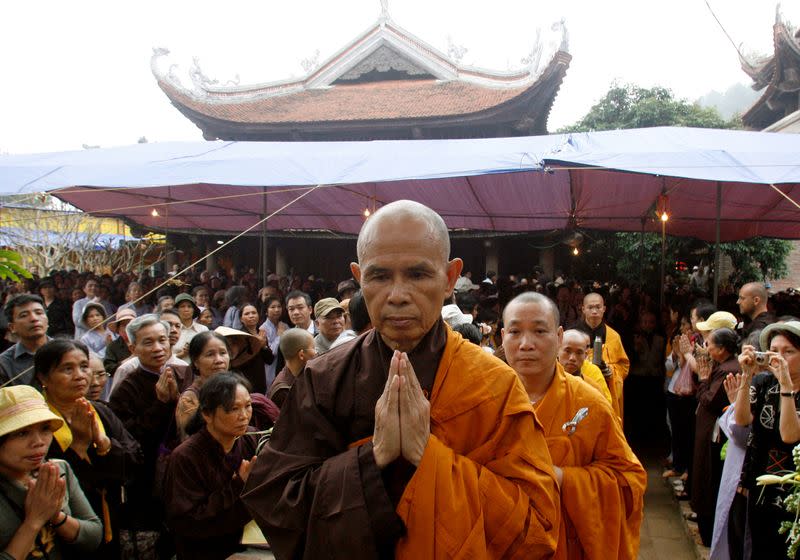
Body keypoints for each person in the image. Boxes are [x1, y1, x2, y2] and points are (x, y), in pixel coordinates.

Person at [241, 200, 559, 558]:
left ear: (450, 278)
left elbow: (536, 530)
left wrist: (430, 456)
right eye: (379, 276)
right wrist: (373, 458)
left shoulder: (494, 385)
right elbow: (274, 500)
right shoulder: (324, 378)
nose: (397, 295)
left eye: (418, 275)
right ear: (359, 279)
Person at [502, 292, 646, 559]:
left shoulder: (590, 402)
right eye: (514, 332)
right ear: (502, 337)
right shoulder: (487, 400)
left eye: (539, 331)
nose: (526, 344)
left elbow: (630, 482)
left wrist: (564, 479)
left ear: (558, 337)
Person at [34, 339, 143, 558]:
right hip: (59, 525)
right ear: (43, 377)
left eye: (84, 367)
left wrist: (103, 444)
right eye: (67, 369)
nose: (80, 375)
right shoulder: (37, 422)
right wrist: (79, 447)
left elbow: (135, 461)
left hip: (107, 514)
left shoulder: (100, 411)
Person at [108, 314, 192, 546]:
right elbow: (130, 440)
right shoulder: (127, 388)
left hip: (183, 471)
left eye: (162, 340)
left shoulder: (183, 374)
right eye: (148, 342)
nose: (158, 348)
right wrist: (161, 403)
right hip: (148, 479)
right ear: (133, 347)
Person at [0, 385, 102, 558]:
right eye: (22, 433)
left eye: (45, 429)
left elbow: (93, 536)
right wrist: (34, 521)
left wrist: (56, 517)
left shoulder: (58, 470)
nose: (38, 442)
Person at [164, 373, 258, 560]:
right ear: (207, 414)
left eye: (248, 406)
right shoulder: (185, 457)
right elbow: (187, 521)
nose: (244, 416)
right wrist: (238, 485)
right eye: (233, 409)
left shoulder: (251, 439)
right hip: (202, 551)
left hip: (247, 546)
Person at [734, 321, 800, 558]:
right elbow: (741, 419)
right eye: (774, 350)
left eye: (789, 351)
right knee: (757, 547)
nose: (779, 358)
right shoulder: (762, 383)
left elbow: (790, 434)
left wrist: (786, 386)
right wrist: (746, 376)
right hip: (760, 481)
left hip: (792, 488)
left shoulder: (783, 385)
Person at [691, 328, 740, 546]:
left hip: (715, 433)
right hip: (710, 431)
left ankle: (708, 532)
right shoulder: (724, 366)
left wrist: (703, 380)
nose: (706, 347)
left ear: (721, 349)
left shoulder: (728, 370)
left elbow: (709, 401)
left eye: (710, 344)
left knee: (708, 477)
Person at [576, 292, 630, 420]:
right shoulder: (573, 334)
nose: (594, 311)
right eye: (590, 307)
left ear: (604, 309)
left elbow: (623, 366)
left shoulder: (613, 336)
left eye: (598, 307)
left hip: (605, 391)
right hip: (578, 390)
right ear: (583, 309)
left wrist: (609, 371)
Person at [175, 331, 230, 439]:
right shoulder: (189, 399)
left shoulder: (235, 389)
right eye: (210, 354)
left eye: (223, 353)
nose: (219, 360)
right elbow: (190, 441)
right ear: (196, 362)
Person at [0, 295, 51, 390]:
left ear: (47, 320)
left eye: (39, 313)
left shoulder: (70, 351)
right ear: (12, 327)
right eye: (24, 315)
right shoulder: (4, 364)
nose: (34, 319)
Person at [557, 329, 613, 405]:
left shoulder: (594, 388)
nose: (572, 358)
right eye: (567, 351)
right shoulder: (543, 382)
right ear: (557, 350)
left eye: (579, 353)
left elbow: (605, 412)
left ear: (585, 355)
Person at [268, 328, 316, 408]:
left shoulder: (298, 373)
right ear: (301, 354)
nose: (316, 352)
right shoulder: (284, 391)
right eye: (313, 348)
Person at [258, 295, 288, 388]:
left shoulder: (283, 325)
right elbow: (271, 353)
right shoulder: (263, 328)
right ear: (266, 311)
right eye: (273, 307)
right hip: (271, 368)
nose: (277, 310)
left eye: (279, 307)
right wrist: (279, 336)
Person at [102, 308, 136, 380]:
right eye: (124, 325)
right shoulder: (113, 346)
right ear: (118, 329)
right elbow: (108, 371)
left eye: (130, 324)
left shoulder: (143, 342)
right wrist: (127, 361)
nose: (127, 328)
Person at [172, 294, 208, 358]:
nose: (186, 309)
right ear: (177, 310)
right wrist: (181, 354)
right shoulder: (171, 330)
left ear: (193, 310)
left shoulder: (203, 330)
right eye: (182, 306)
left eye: (189, 306)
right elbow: (165, 356)